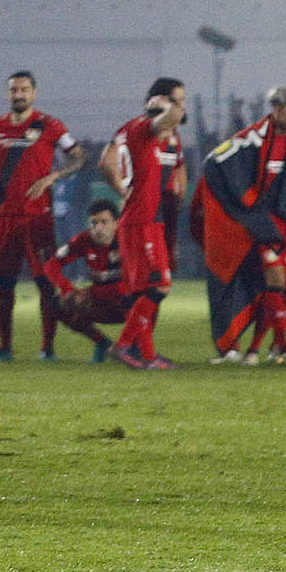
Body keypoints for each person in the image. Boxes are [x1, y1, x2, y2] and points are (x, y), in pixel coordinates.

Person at [192, 85, 286, 365]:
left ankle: (267, 349)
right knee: (274, 279)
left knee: (282, 286)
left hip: (283, 225)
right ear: (277, 109)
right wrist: (246, 206)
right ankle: (265, 349)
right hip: (257, 226)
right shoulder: (250, 140)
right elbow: (215, 162)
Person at [0, 70, 87, 362]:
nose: (19, 94)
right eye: (14, 90)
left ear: (34, 93)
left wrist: (53, 177)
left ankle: (47, 348)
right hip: (5, 217)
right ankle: (4, 348)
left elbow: (79, 156)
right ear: (8, 93)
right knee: (4, 285)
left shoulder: (49, 125)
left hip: (38, 218)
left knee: (44, 284)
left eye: (24, 89)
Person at [99, 77, 187, 370]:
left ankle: (147, 356)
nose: (182, 107)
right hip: (141, 221)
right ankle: (123, 345)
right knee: (159, 286)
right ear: (160, 101)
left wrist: (124, 189)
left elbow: (106, 163)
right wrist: (166, 107)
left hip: (147, 218)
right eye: (178, 99)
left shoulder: (136, 130)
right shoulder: (142, 127)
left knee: (143, 291)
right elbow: (175, 116)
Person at [42, 199, 129, 363]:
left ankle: (135, 348)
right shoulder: (83, 240)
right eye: (94, 222)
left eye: (104, 222)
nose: (98, 228)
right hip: (100, 304)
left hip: (126, 303)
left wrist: (89, 292)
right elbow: (50, 265)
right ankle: (102, 343)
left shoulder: (127, 241)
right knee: (56, 304)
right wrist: (68, 289)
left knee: (148, 299)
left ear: (116, 223)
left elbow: (134, 283)